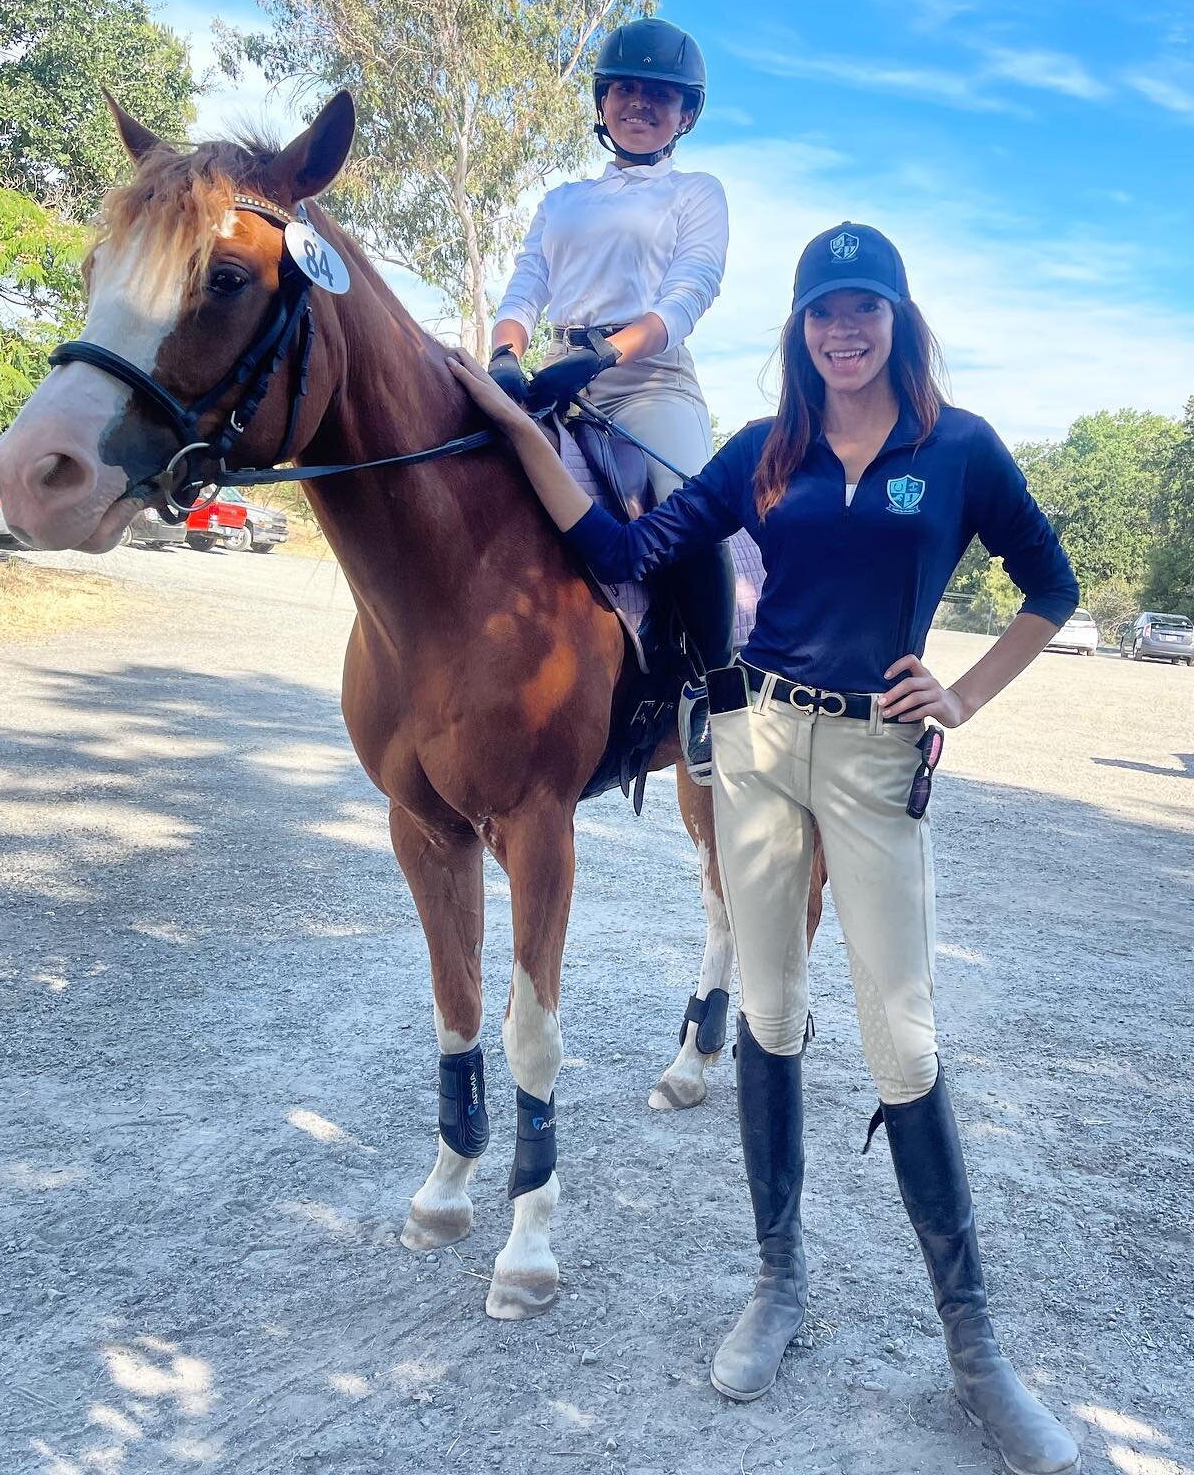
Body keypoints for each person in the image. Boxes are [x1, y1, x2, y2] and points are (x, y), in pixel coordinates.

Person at [451, 221, 1083, 1475]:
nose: (843, 332)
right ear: (800, 330)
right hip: (755, 750)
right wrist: (523, 429)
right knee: (772, 1011)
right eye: (822, 313)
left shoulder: (957, 450)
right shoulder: (764, 453)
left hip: (872, 757)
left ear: (900, 321)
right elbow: (629, 552)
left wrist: (961, 694)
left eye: (865, 309)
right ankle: (777, 1287)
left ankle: (976, 1351)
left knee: (903, 1035)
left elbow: (1049, 586)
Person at [487, 17, 734, 780]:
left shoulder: (696, 192)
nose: (639, 104)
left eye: (659, 95)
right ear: (602, 104)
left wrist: (605, 354)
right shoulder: (562, 200)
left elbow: (692, 291)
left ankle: (711, 689)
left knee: (687, 502)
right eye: (625, 90)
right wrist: (503, 356)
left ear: (684, 115)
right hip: (556, 371)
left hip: (648, 377)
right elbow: (528, 281)